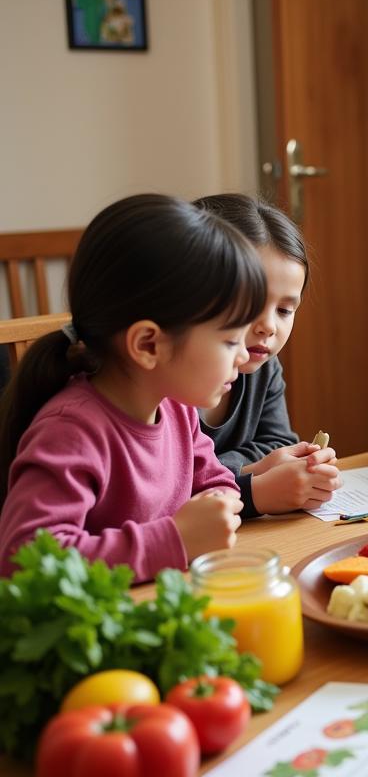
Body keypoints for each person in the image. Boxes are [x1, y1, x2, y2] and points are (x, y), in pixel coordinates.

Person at [0, 194, 266, 583]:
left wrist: (222, 501)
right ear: (148, 344)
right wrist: (174, 538)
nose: (244, 357)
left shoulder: (176, 409)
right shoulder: (70, 432)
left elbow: (212, 476)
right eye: (230, 341)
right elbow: (24, 562)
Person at [194, 194, 341, 516]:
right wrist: (251, 476)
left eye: (285, 309)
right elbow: (171, 483)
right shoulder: (170, 377)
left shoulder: (262, 364)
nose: (268, 327)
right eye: (250, 304)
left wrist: (263, 467)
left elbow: (277, 443)